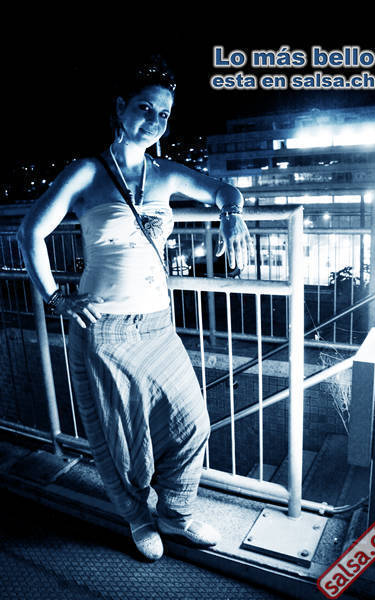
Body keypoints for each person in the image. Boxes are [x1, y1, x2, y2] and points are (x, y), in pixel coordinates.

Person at [17, 57, 254, 561]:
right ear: (121, 107)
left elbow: (222, 190)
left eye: (164, 114)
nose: (154, 120)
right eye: (145, 107)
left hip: (158, 325)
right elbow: (30, 232)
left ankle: (176, 513)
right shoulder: (87, 172)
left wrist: (232, 213)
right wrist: (56, 297)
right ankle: (138, 518)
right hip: (102, 328)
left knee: (193, 423)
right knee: (117, 437)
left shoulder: (166, 174)